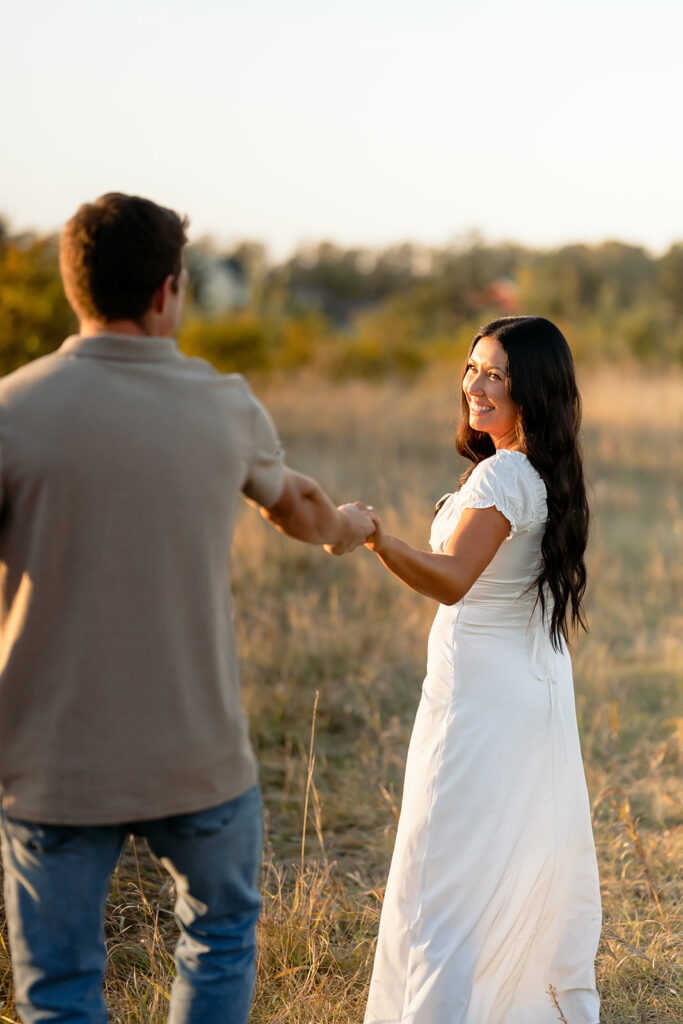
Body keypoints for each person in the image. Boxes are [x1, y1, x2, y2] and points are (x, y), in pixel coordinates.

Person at [0, 192, 373, 1024]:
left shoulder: (13, 411)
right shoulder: (222, 403)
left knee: (58, 988)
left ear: (73, 285)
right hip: (196, 755)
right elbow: (302, 508)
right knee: (219, 935)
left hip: (51, 764)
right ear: (167, 290)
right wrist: (351, 528)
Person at [352, 317, 601, 1024]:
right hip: (522, 688)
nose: (475, 386)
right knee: (498, 862)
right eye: (472, 368)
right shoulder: (540, 468)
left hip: (478, 701)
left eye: (496, 375)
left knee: (445, 876)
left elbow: (453, 579)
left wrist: (379, 538)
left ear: (533, 390)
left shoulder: (504, 474)